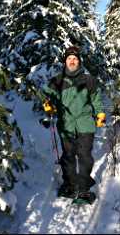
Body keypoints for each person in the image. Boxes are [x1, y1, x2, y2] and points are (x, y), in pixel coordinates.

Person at [41, 46, 106, 204]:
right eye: (69, 59)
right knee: (68, 156)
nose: (72, 61)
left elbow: (96, 100)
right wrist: (48, 104)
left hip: (85, 124)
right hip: (66, 125)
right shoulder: (57, 80)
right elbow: (47, 94)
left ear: (79, 61)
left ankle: (83, 189)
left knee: (85, 157)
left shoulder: (88, 80)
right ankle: (70, 185)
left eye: (75, 59)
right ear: (65, 61)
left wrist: (100, 114)